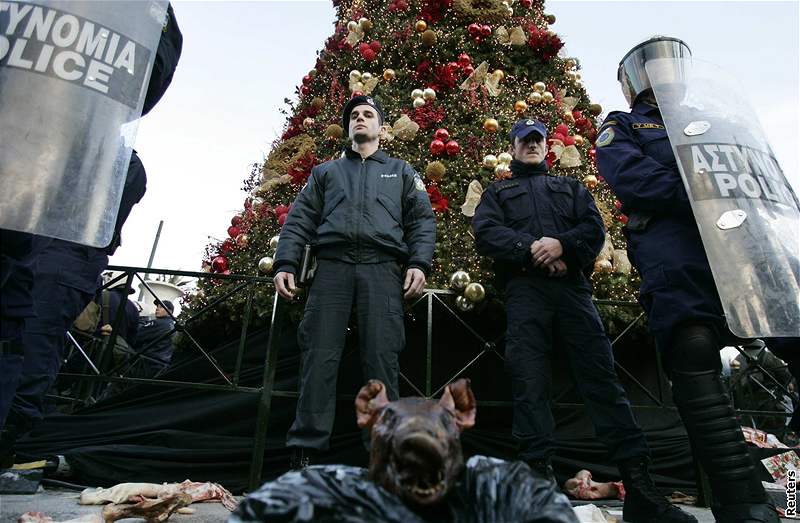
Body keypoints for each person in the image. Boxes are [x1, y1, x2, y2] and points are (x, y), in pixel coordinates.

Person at [596, 36, 781, 521]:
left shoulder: (716, 121)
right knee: (694, 351)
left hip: (745, 247)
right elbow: (632, 179)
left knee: (790, 332)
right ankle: (741, 499)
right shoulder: (624, 125)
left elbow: (754, 171)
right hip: (673, 247)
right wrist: (701, 190)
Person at [472, 119, 695, 523]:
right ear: (514, 147)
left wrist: (563, 246)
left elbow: (593, 228)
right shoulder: (497, 192)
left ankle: (640, 489)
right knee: (528, 381)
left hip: (573, 292)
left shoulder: (572, 189)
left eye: (539, 139)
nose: (533, 145)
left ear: (547, 148)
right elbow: (486, 232)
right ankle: (537, 491)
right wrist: (531, 249)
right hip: (524, 293)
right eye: (525, 141)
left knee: (602, 382)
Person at [0, 4, 182, 468]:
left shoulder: (121, 165)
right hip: (29, 226)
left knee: (29, 342)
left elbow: (148, 71)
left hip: (63, 252)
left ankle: (9, 444)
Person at [273, 95, 436, 469]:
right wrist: (286, 262)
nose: (361, 119)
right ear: (348, 128)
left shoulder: (402, 172)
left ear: (381, 127)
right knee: (319, 356)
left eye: (368, 115)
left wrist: (419, 262)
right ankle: (306, 455)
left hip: (382, 269)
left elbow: (422, 222)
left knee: (382, 358)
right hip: (332, 268)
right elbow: (299, 220)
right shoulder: (325, 173)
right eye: (355, 116)